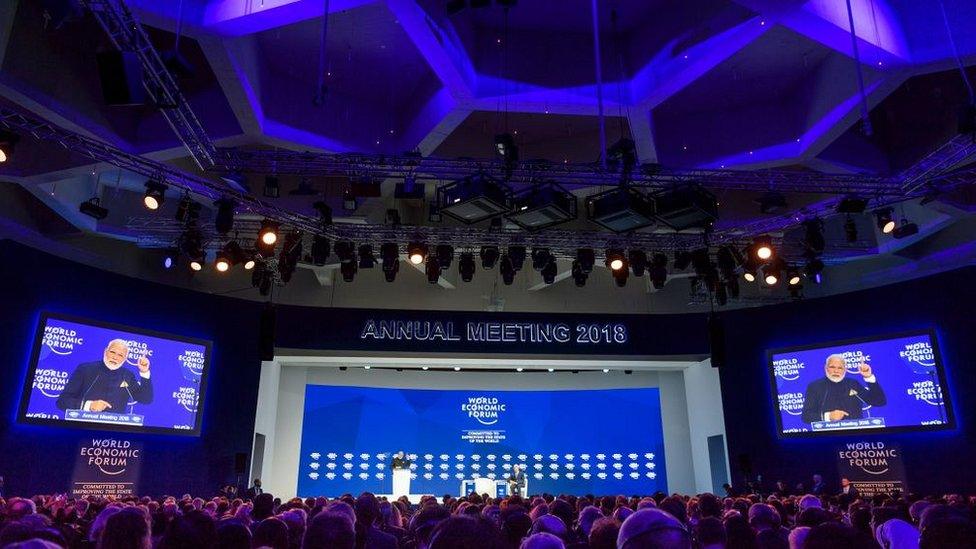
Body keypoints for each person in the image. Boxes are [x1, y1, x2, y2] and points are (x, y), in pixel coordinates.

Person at [56, 339, 153, 414]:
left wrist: (144, 373)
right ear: (105, 351)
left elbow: (146, 399)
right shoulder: (85, 369)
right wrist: (89, 405)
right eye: (112, 352)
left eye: (120, 355)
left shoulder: (127, 375)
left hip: (114, 432)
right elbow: (62, 401)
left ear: (125, 359)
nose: (115, 357)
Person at [801, 354, 886, 424]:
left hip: (855, 435)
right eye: (832, 367)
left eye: (840, 368)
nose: (836, 371)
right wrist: (828, 416)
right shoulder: (815, 386)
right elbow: (806, 416)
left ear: (845, 370)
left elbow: (879, 401)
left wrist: (868, 377)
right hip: (828, 436)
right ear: (826, 368)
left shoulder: (853, 384)